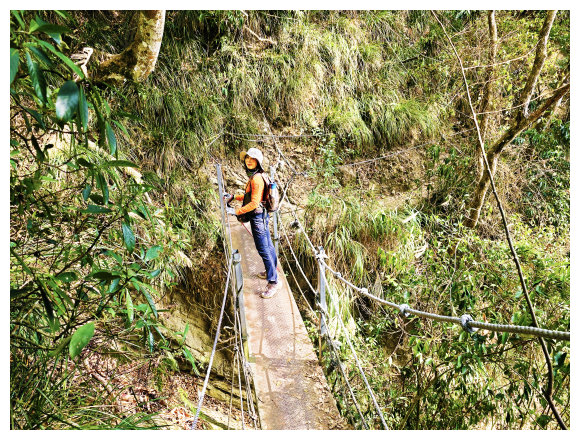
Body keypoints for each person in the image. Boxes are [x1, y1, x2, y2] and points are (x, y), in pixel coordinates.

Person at [224, 147, 279, 299]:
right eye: (247, 158)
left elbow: (254, 203)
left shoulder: (256, 179)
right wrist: (234, 197)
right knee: (268, 245)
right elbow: (251, 196)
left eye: (252, 159)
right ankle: (271, 272)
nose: (248, 161)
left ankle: (273, 282)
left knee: (263, 249)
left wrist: (236, 211)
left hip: (258, 217)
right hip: (262, 215)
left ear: (258, 162)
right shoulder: (258, 176)